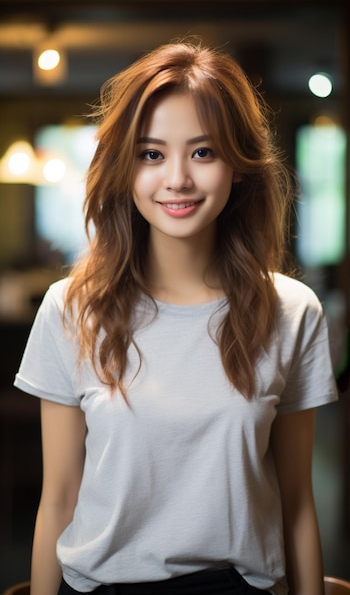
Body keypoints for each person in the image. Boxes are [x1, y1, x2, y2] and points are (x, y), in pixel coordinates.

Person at [15, 40, 338, 595]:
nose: (178, 179)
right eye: (151, 154)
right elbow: (59, 499)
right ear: (125, 168)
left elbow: (297, 502)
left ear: (238, 165)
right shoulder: (70, 309)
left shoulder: (292, 311)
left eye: (204, 152)